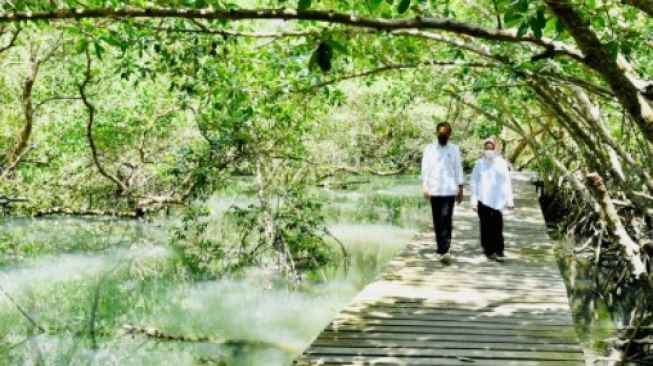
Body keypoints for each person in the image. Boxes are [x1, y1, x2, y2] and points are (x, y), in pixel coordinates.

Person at [421, 122, 464, 264]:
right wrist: (424, 185)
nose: (443, 135)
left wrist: (461, 188)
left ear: (450, 134)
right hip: (434, 188)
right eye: (440, 133)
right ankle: (440, 248)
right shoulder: (429, 149)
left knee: (446, 218)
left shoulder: (455, 149)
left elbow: (458, 168)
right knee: (437, 220)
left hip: (449, 189)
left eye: (445, 133)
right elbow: (425, 168)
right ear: (436, 133)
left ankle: (446, 250)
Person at [470, 138, 514, 262]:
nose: (489, 150)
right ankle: (488, 250)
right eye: (486, 148)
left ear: (495, 148)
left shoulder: (501, 163)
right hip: (482, 199)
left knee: (497, 225)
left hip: (497, 200)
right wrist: (473, 201)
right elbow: (473, 182)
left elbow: (507, 182)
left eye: (491, 148)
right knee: (485, 226)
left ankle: (499, 250)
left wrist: (510, 201)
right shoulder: (479, 164)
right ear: (484, 149)